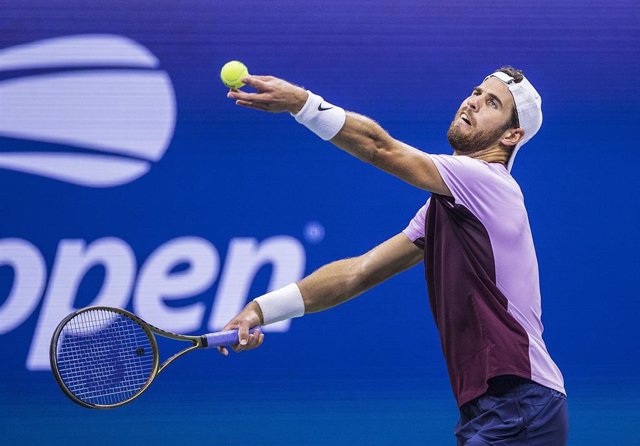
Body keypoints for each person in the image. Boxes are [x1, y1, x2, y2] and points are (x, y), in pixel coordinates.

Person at [219, 66, 568, 445]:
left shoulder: (485, 182)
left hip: (519, 402)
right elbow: (358, 273)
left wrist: (301, 103)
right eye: (476, 92)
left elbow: (379, 147)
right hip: (497, 408)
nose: (472, 102)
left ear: (511, 135)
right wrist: (260, 310)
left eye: (492, 103)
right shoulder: (447, 208)